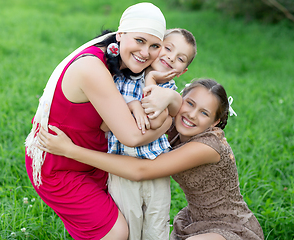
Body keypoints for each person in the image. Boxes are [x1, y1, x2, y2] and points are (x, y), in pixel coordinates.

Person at [25, 3, 182, 239]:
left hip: (94, 159)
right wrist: (170, 118)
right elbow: (131, 137)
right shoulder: (92, 66)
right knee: (117, 232)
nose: (146, 52)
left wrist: (152, 100)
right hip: (60, 164)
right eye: (139, 40)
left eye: (154, 46)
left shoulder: (122, 64)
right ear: (120, 35)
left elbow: (112, 121)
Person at [37, 79, 265, 240]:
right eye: (190, 104)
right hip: (195, 221)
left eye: (204, 113)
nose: (192, 115)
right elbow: (113, 126)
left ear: (215, 122)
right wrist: (134, 104)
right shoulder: (173, 127)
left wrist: (71, 150)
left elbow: (142, 171)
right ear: (180, 100)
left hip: (230, 228)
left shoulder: (208, 146)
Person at [105, 28, 197, 240]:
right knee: (130, 225)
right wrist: (134, 104)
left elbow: (154, 121)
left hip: (156, 167)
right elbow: (109, 113)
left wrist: (152, 80)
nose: (170, 58)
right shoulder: (123, 78)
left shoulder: (170, 91)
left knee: (156, 228)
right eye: (167, 48)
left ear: (183, 71)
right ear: (155, 47)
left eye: (180, 58)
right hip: (122, 166)